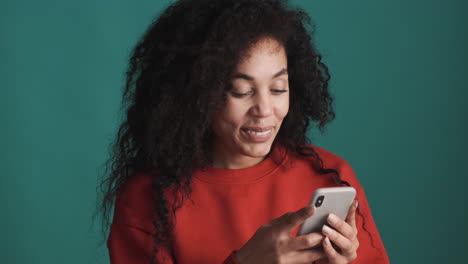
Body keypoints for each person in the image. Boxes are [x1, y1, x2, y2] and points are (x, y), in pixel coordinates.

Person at [98, 0, 390, 263]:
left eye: (278, 88)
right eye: (240, 91)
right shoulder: (147, 199)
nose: (264, 109)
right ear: (195, 95)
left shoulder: (331, 176)